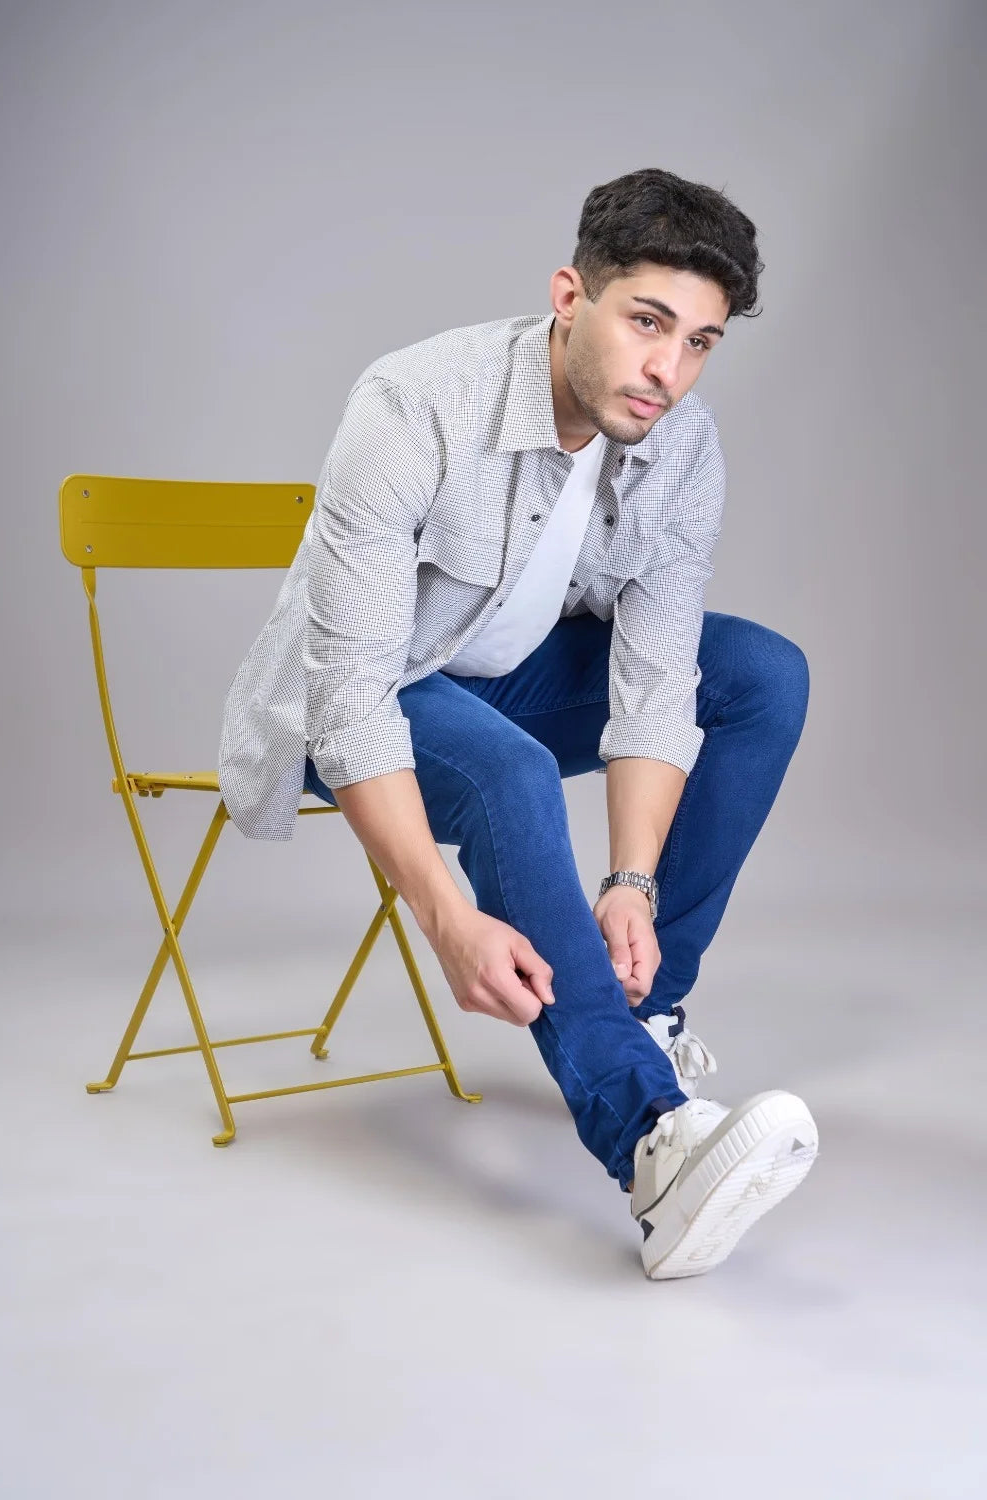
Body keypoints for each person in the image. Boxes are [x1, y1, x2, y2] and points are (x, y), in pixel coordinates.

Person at [218, 166, 819, 1280]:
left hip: (502, 682)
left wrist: (630, 882)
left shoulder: (680, 447)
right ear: (567, 295)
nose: (667, 371)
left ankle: (644, 1009)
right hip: (348, 700)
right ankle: (648, 1143)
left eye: (699, 342)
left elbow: (656, 675)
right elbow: (347, 691)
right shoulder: (409, 405)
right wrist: (447, 919)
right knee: (503, 772)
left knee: (759, 675)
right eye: (647, 323)